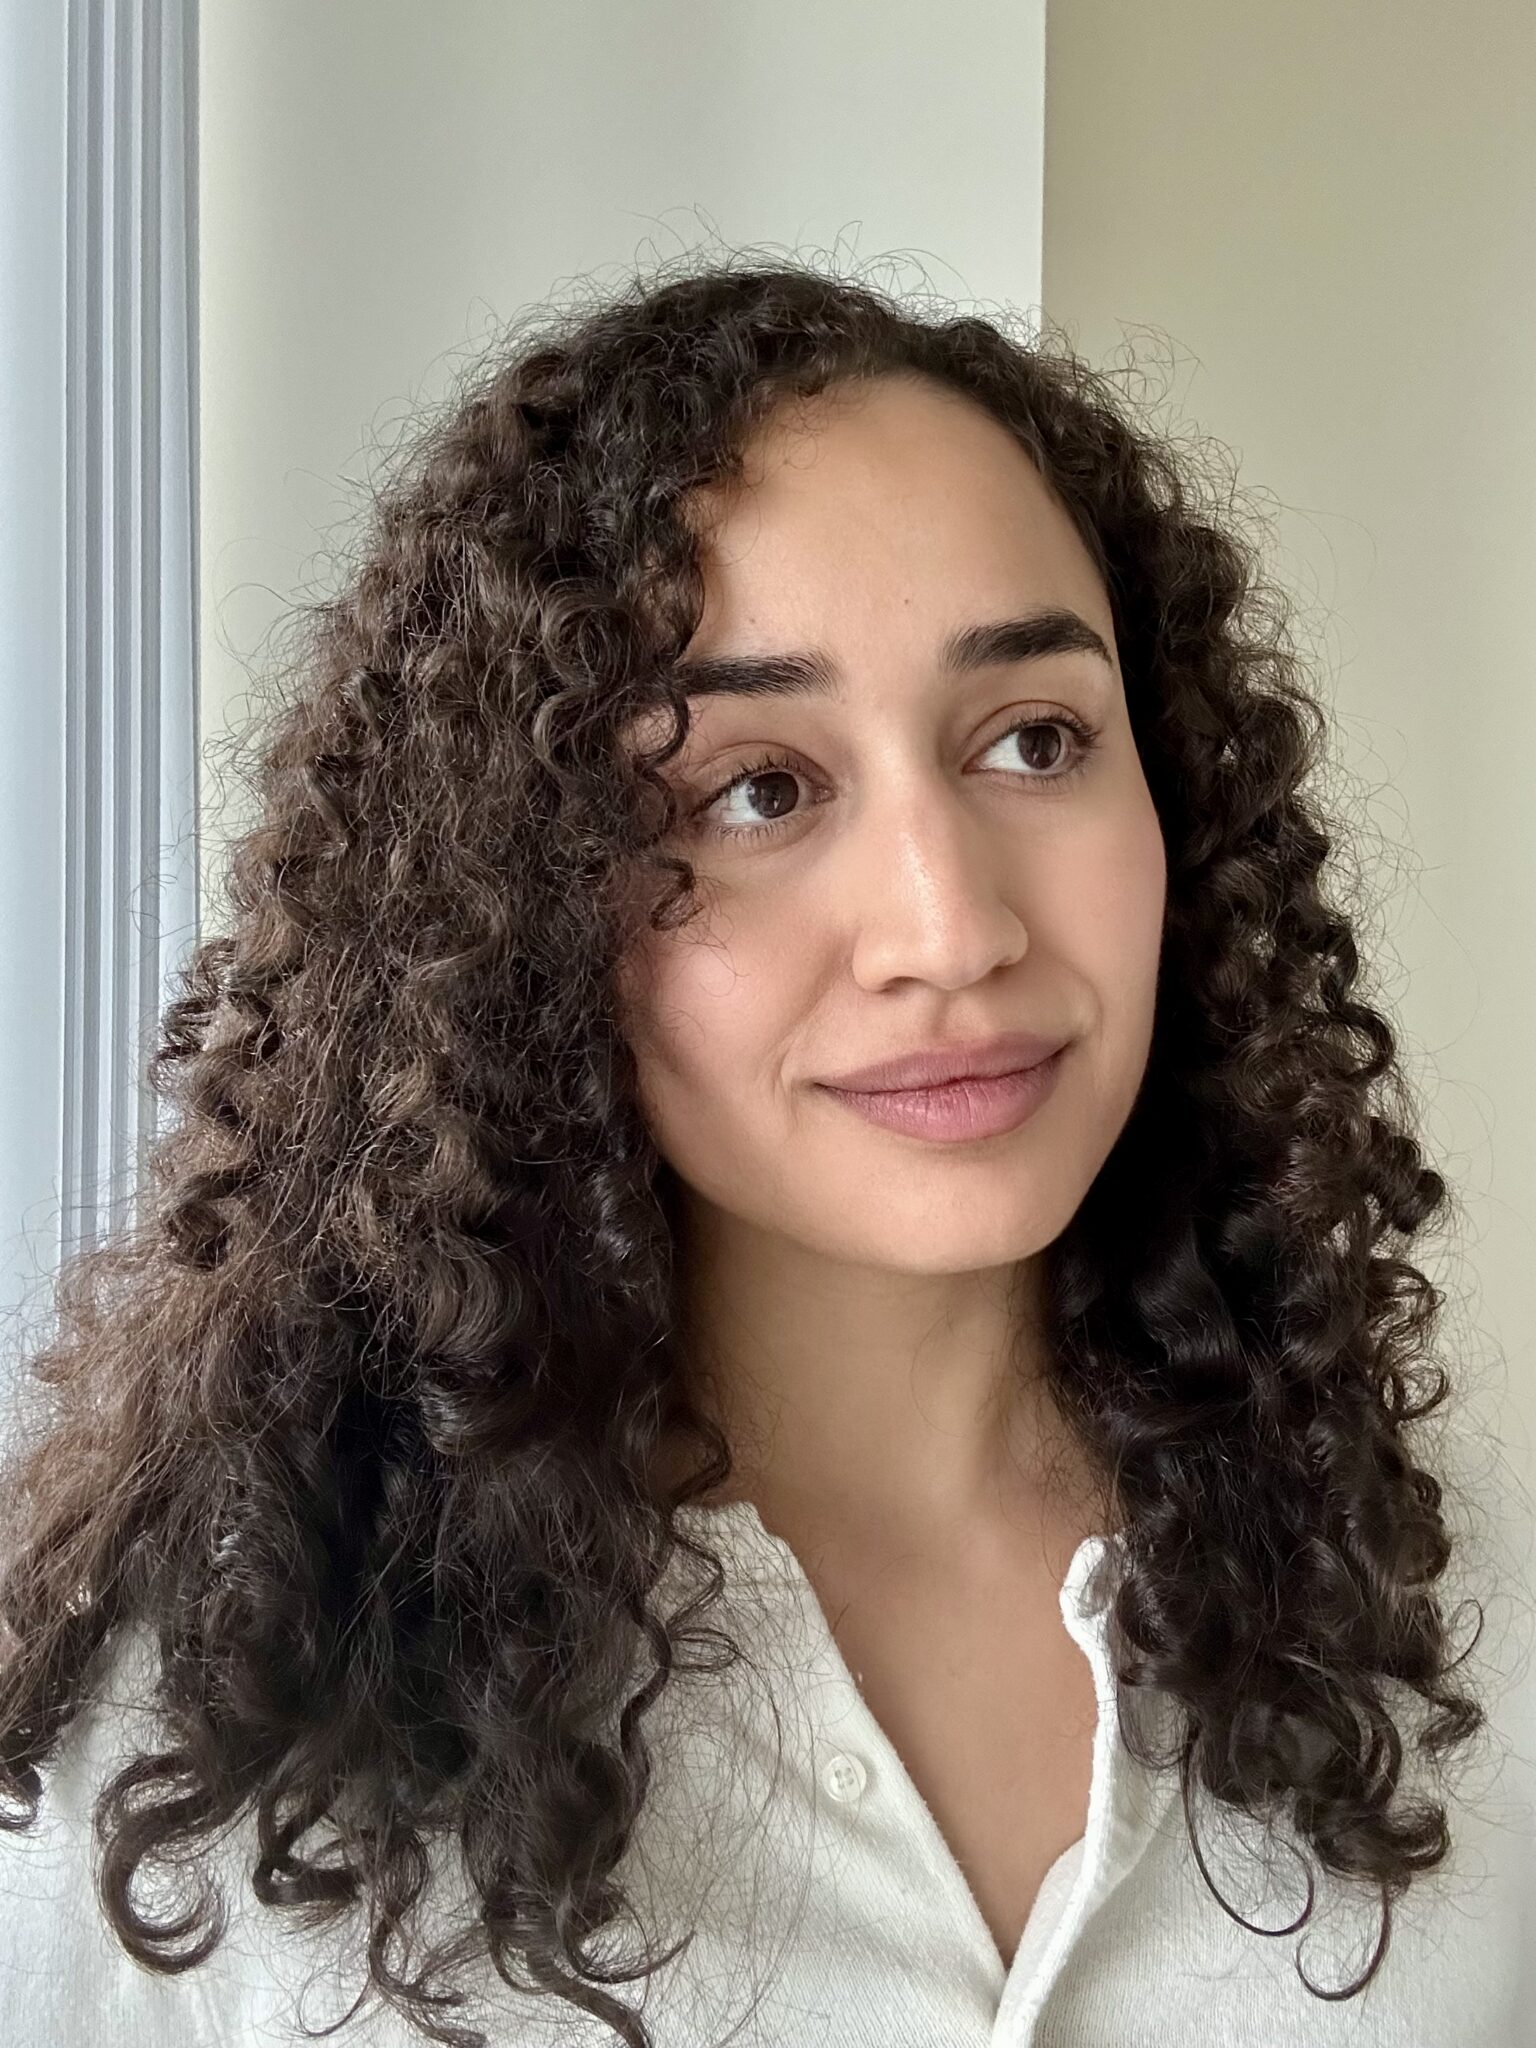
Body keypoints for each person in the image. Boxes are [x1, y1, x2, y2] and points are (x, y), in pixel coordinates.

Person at [0, 255, 1529, 2048]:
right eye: (757, 790)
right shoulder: (177, 1763)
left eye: (1036, 740)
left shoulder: (1464, 1635)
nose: (950, 930)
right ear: (518, 902)